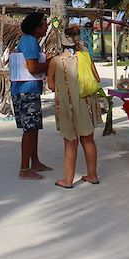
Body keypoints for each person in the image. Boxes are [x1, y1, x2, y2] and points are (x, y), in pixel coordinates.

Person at [47, 26, 102, 189]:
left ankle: (68, 180)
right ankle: (92, 175)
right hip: (86, 104)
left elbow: (51, 85)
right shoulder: (85, 57)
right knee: (88, 140)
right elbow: (96, 78)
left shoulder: (56, 61)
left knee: (70, 143)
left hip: (67, 105)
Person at [10, 12, 51, 180]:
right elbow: (33, 68)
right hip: (26, 91)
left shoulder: (29, 41)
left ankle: (34, 161)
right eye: (44, 23)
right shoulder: (30, 41)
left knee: (33, 128)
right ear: (37, 27)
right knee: (29, 130)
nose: (46, 26)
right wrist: (53, 61)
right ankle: (24, 169)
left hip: (26, 90)